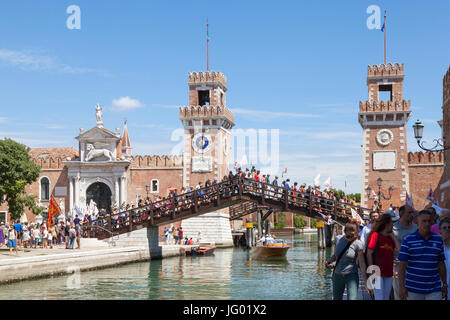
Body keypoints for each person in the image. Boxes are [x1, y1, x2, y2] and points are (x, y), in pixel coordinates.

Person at [398, 210, 448, 300]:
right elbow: (402, 266)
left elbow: (441, 264)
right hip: (413, 289)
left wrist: (444, 284)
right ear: (417, 222)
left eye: (429, 221)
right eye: (424, 221)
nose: (427, 224)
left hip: (434, 289)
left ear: (433, 222)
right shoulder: (408, 240)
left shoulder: (438, 240)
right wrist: (401, 287)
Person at [325, 219, 365, 300]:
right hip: (337, 275)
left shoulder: (358, 244)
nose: (350, 232)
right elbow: (336, 255)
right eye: (347, 230)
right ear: (344, 231)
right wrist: (329, 261)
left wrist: (366, 279)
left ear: (356, 231)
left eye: (352, 230)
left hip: (351, 275)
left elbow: (362, 263)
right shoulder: (338, 239)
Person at [364, 212, 400, 300]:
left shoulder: (390, 238)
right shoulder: (375, 236)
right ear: (386, 224)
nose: (393, 224)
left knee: (386, 297)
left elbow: (399, 249)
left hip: (388, 272)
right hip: (376, 271)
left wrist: (392, 236)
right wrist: (372, 269)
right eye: (391, 222)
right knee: (379, 297)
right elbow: (369, 253)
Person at [392, 205, 417, 300]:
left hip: (414, 267)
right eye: (409, 212)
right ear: (401, 213)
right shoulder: (392, 229)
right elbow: (389, 249)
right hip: (398, 266)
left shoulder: (417, 229)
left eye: (412, 212)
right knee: (400, 295)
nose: (412, 215)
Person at [438, 217, 450, 289]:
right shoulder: (437, 245)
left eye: (449, 227)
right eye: (444, 227)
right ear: (440, 230)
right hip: (440, 285)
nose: (447, 229)